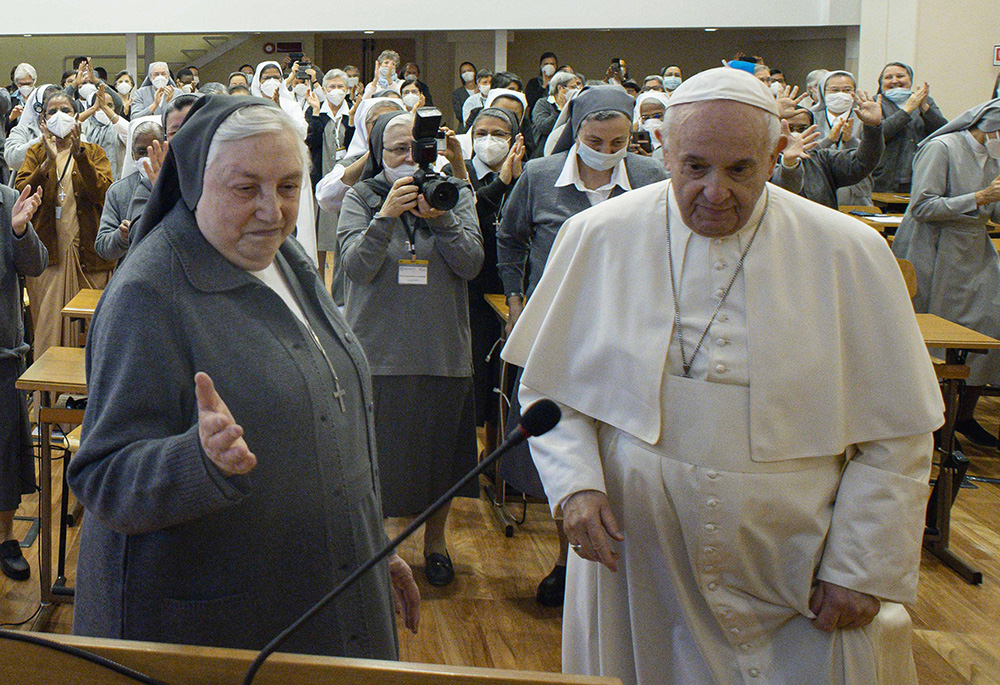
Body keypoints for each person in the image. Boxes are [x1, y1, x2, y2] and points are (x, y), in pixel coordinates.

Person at [502, 66, 943, 685]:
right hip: (637, 559)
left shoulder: (848, 251)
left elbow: (898, 430)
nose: (715, 192)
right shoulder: (599, 235)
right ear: (661, 150)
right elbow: (550, 389)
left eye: (740, 170)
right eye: (695, 167)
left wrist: (862, 566)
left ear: (775, 154)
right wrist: (575, 485)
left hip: (794, 567)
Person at [68, 95, 420, 653]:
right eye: (245, 188)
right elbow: (102, 477)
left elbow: (331, 418)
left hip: (323, 584)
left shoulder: (286, 258)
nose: (272, 211)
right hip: (219, 624)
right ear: (193, 184)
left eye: (287, 187)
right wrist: (197, 460)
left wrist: (370, 544)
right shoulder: (147, 294)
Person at [497, 86, 666, 606]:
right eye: (595, 139)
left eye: (618, 142)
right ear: (576, 130)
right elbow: (509, 237)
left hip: (628, 325)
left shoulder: (652, 178)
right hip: (560, 322)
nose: (606, 150)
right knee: (567, 441)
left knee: (617, 442)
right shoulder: (542, 176)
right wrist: (517, 301)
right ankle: (566, 556)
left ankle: (624, 558)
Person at [337, 111, 483, 587]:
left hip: (441, 350)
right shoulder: (361, 196)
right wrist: (385, 218)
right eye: (397, 149)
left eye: (416, 148)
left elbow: (471, 265)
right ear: (378, 152)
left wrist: (440, 220)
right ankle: (379, 548)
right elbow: (356, 269)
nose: (408, 157)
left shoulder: (455, 193)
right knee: (374, 459)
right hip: (376, 350)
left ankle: (435, 545)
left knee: (439, 458)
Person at [892, 99, 1000, 448]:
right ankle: (926, 421)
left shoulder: (994, 156)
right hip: (934, 250)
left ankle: (963, 416)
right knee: (936, 335)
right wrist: (981, 196)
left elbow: (993, 210)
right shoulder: (942, 148)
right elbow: (922, 206)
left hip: (974, 251)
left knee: (990, 325)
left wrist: (990, 201)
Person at [14, 89, 114, 357]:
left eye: (66, 110)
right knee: (48, 331)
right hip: (49, 259)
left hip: (90, 258)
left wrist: (79, 153)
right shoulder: (36, 153)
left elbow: (102, 193)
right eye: (52, 111)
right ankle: (48, 396)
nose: (60, 116)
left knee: (94, 334)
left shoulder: (93, 152)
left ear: (77, 116)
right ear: (43, 121)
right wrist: (46, 162)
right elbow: (20, 194)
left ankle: (93, 396)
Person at [465, 107, 525, 456]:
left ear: (515, 138)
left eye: (499, 134)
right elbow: (466, 214)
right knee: (478, 372)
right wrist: (500, 180)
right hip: (471, 285)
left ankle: (503, 457)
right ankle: (478, 452)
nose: (489, 140)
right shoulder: (458, 172)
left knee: (510, 374)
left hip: (512, 288)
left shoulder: (528, 176)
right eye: (481, 133)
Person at [315, 97, 406, 304]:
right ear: (364, 126)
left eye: (391, 119)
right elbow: (326, 197)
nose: (383, 126)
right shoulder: (351, 162)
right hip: (359, 262)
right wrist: (373, 153)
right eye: (376, 122)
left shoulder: (413, 160)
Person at [0, 183, 46, 581]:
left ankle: (6, 537)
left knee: (6, 456)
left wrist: (18, 231)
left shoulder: (7, 201)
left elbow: (36, 265)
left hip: (2, 359)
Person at [772, 96, 885, 209]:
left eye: (802, 128)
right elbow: (782, 189)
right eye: (789, 128)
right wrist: (789, 163)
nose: (795, 134)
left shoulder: (823, 159)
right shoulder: (764, 159)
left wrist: (873, 128)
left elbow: (863, 163)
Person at [305, 69, 355, 278]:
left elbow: (355, 144)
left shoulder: (353, 110)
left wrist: (351, 120)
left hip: (347, 176)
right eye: (331, 87)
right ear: (324, 89)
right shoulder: (315, 110)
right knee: (320, 235)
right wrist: (316, 113)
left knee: (342, 235)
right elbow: (312, 143)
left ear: (347, 89)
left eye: (340, 87)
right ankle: (319, 283)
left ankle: (340, 285)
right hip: (322, 174)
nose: (335, 91)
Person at [872, 62, 948, 193]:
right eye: (888, 77)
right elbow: (879, 133)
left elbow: (943, 131)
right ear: (881, 82)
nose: (895, 81)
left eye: (900, 76)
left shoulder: (925, 100)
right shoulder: (874, 102)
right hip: (882, 178)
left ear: (910, 80)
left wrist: (924, 108)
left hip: (919, 174)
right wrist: (907, 110)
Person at [94, 120, 163, 263]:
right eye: (141, 152)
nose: (147, 157)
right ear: (132, 154)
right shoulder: (118, 191)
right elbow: (102, 247)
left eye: (153, 150)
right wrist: (121, 237)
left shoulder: (180, 184)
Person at [812, 70, 875, 205]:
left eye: (847, 90)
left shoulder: (865, 117)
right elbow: (807, 152)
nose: (841, 94)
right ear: (823, 92)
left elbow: (872, 154)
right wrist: (828, 140)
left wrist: (850, 140)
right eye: (834, 90)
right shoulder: (811, 116)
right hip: (817, 191)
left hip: (857, 195)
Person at [78, 83, 129, 180]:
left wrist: (105, 108)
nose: (104, 108)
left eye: (110, 105)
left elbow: (130, 134)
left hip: (116, 182)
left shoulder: (117, 125)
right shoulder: (85, 125)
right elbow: (69, 126)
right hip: (89, 182)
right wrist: (93, 108)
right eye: (99, 105)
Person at [531, 71, 581, 156]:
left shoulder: (574, 104)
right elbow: (544, 127)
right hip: (544, 153)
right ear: (560, 88)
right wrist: (560, 109)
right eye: (573, 87)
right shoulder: (543, 103)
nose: (576, 90)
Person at [460, 69, 493, 133]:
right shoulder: (471, 101)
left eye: (491, 82)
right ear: (478, 84)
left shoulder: (497, 99)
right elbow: (467, 125)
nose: (489, 85)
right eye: (485, 82)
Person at [451, 62, 478, 126]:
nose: (467, 73)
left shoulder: (482, 90)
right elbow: (459, 115)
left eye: (469, 70)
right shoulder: (457, 93)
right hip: (465, 127)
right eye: (464, 72)